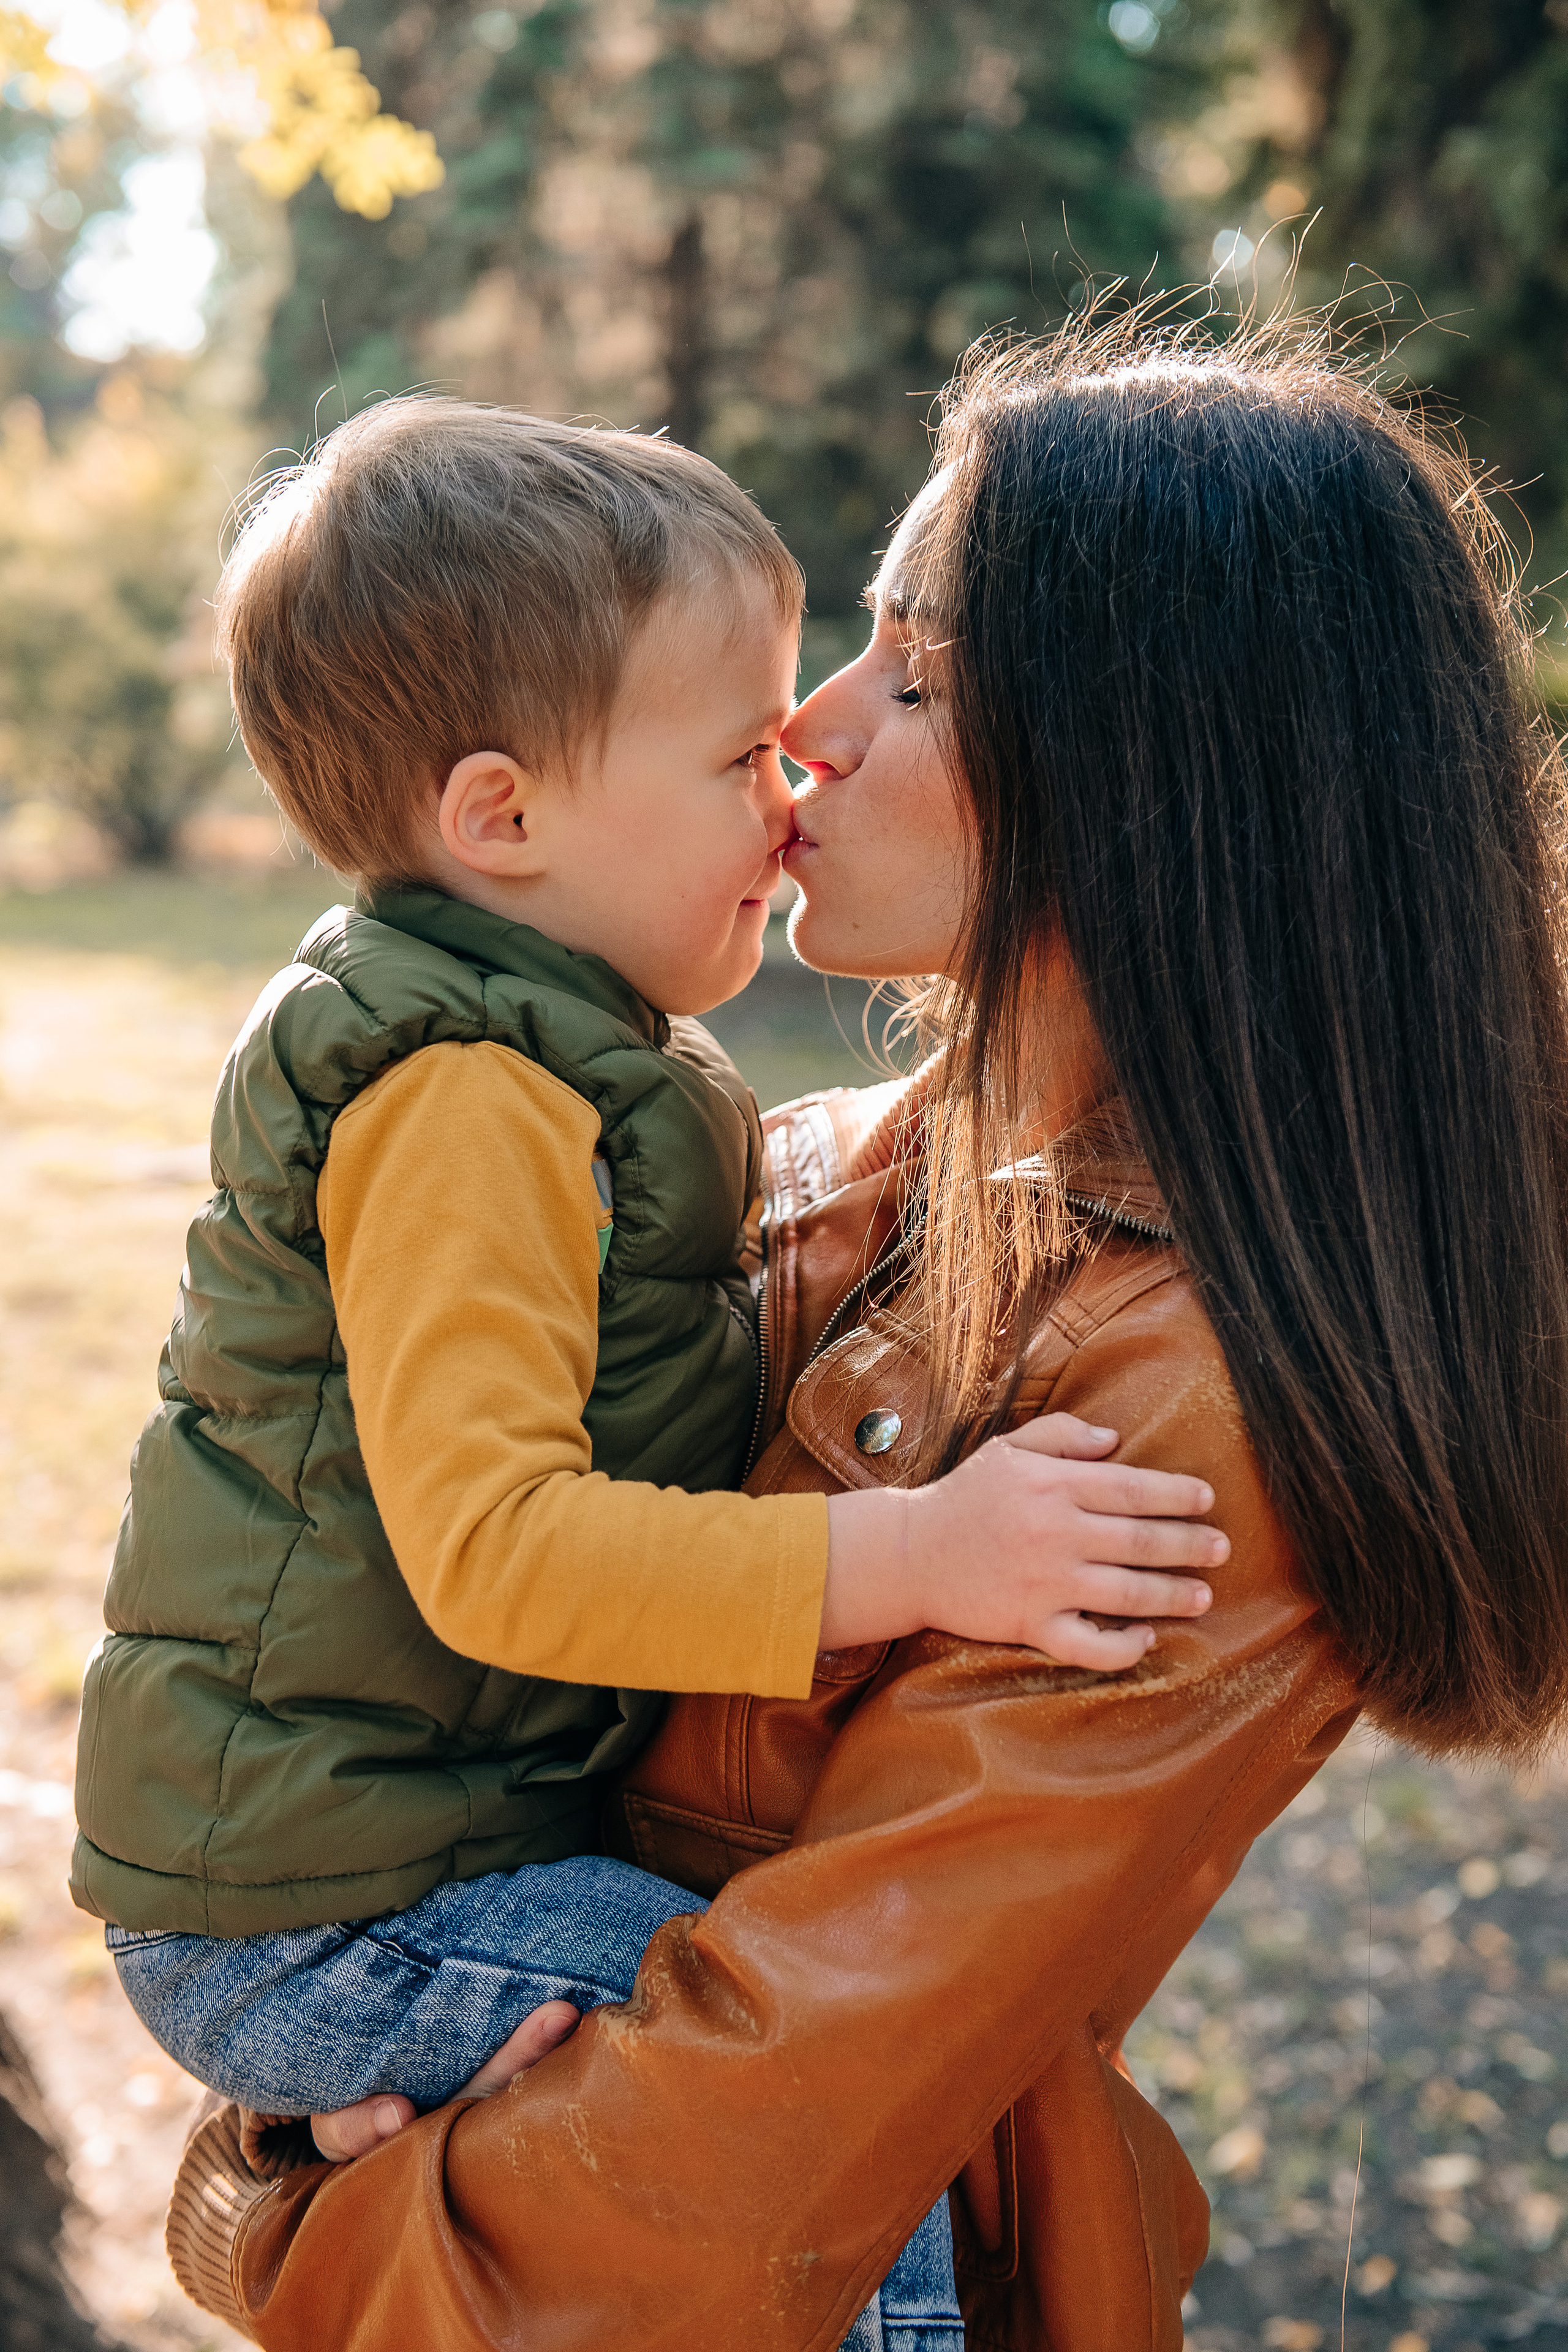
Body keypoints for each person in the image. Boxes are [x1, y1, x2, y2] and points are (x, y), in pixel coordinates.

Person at [165, 315, 1568, 2352]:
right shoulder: (801, 1172)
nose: (807, 728)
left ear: (1151, 774)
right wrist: (291, 2121)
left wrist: (270, 2217)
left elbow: (740, 2153)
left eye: (918, 673)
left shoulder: (1197, 1409)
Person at [69, 398, 1221, 2344]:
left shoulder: (578, 1066)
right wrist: (925, 1556)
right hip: (322, 1900)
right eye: (737, 754)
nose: (793, 785)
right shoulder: (468, 1099)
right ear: (504, 818)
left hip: (386, 1850)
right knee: (800, 2112)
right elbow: (505, 1552)